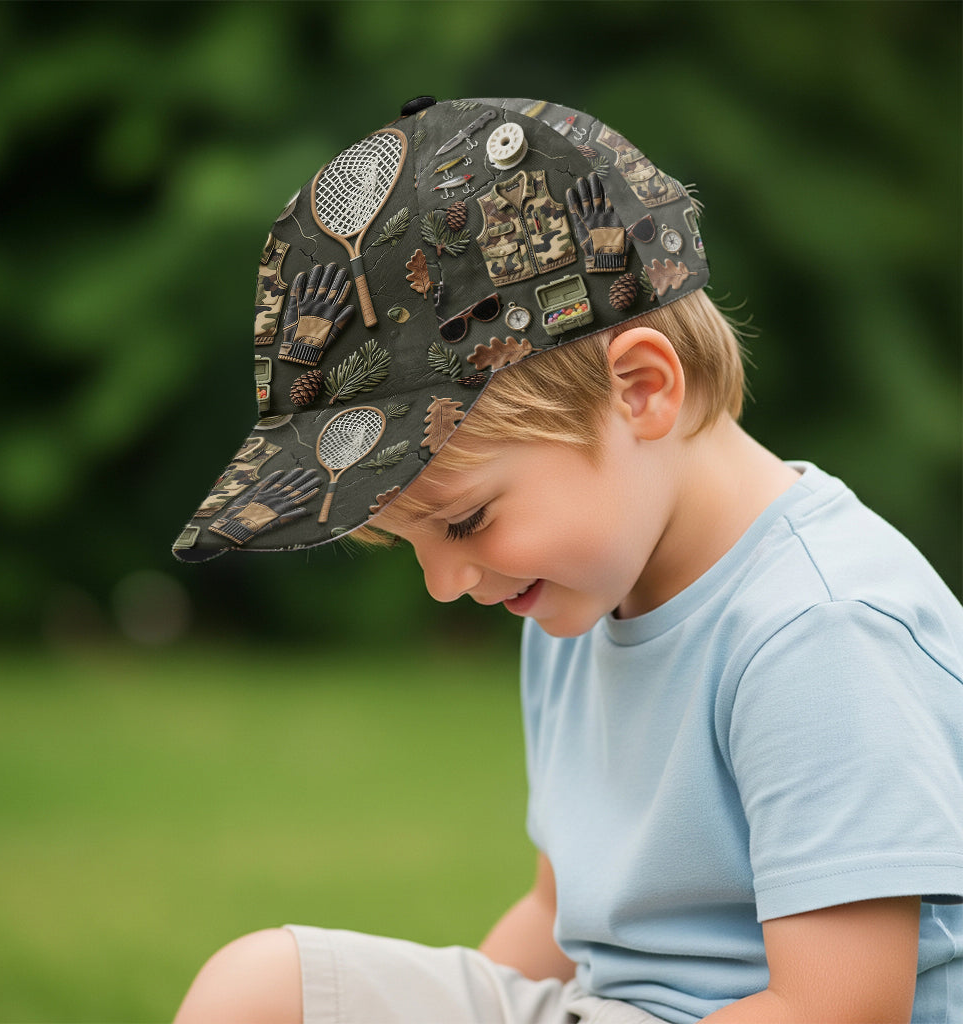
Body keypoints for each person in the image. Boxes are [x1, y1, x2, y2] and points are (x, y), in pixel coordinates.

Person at [171, 97, 963, 1023]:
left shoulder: (817, 629)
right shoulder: (573, 597)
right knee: (261, 990)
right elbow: (559, 918)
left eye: (463, 523)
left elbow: (838, 1008)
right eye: (413, 544)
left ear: (641, 391)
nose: (444, 584)